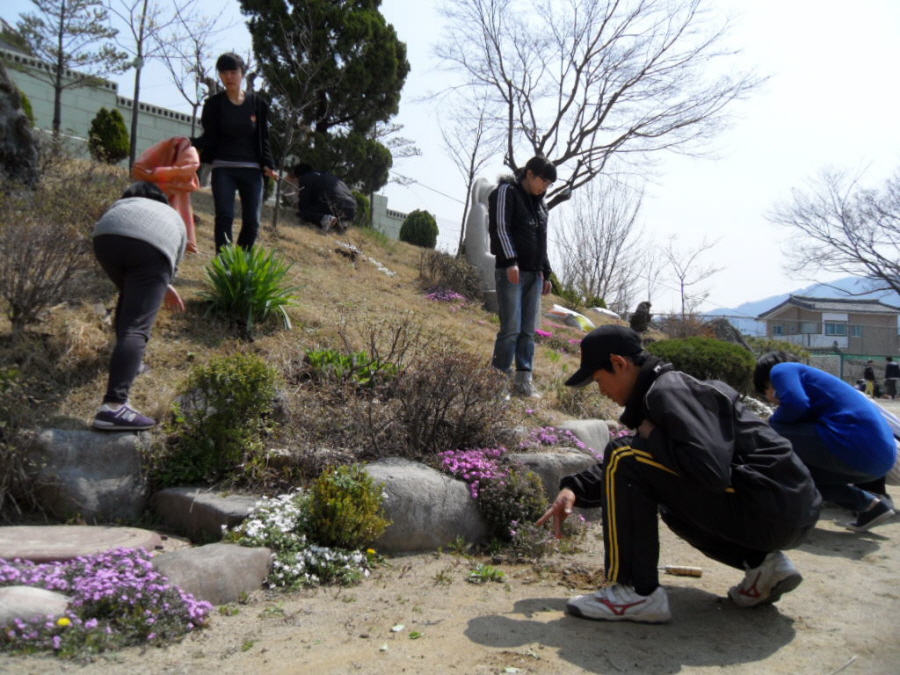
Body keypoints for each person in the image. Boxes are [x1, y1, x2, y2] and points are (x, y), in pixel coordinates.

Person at [536, 326, 821, 624]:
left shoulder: (668, 390)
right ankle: (764, 566)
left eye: (599, 380)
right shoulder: (667, 390)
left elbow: (709, 471)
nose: (602, 392)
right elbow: (658, 461)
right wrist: (574, 489)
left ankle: (636, 591)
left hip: (772, 505)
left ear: (620, 364)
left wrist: (651, 435)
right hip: (788, 507)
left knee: (622, 455)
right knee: (663, 497)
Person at [754, 352, 897, 531]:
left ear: (767, 378)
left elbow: (796, 403)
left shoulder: (782, 369)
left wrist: (772, 421)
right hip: (879, 462)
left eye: (765, 389)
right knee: (796, 476)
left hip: (854, 445)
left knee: (765, 431)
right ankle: (871, 506)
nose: (768, 397)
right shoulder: (819, 388)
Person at [91, 182, 187, 430]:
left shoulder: (124, 203)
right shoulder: (172, 216)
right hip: (154, 247)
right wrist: (166, 282)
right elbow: (173, 259)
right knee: (137, 325)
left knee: (129, 296)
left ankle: (130, 363)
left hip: (105, 237)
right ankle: (114, 406)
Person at [191, 53, 277, 253]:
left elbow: (264, 138)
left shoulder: (258, 105)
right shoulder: (213, 105)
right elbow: (209, 137)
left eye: (233, 72)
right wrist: (189, 142)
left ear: (243, 74)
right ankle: (224, 264)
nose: (228, 77)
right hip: (223, 168)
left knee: (252, 222)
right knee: (224, 217)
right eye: (223, 72)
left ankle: (240, 263)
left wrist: (269, 164)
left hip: (252, 170)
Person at [487, 156, 556, 398]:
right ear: (529, 174)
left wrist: (546, 273)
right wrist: (510, 261)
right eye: (543, 181)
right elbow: (500, 228)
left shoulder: (540, 204)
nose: (545, 187)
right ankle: (497, 382)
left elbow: (542, 242)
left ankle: (523, 381)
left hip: (534, 275)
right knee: (511, 329)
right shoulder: (506, 191)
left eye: (549, 184)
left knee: (529, 331)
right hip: (512, 271)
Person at [292, 163, 357, 233]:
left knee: (303, 213)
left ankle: (326, 219)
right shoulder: (326, 175)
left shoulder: (305, 178)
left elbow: (304, 204)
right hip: (351, 209)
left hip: (334, 204)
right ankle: (340, 223)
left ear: (299, 176)